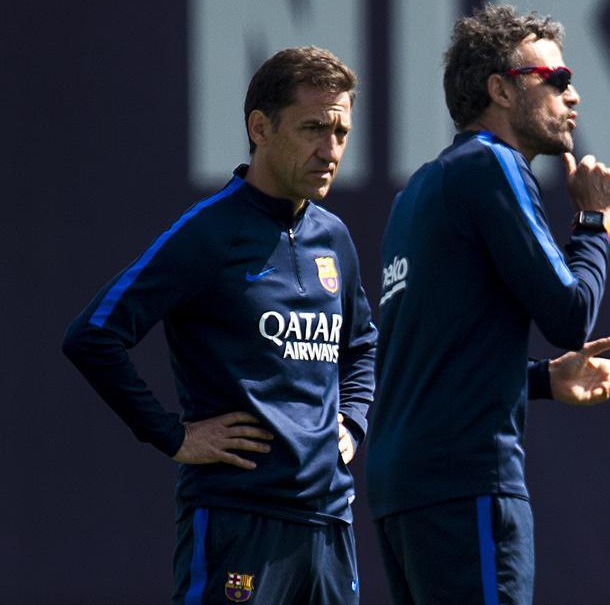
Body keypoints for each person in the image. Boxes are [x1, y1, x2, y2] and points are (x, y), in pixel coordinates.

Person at [62, 47, 376, 604]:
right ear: (260, 127)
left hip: (329, 524)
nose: (331, 151)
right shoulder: (209, 232)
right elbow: (93, 335)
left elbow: (362, 345)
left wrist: (351, 422)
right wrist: (173, 435)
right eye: (312, 128)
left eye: (341, 132)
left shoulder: (335, 238)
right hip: (239, 521)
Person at [366, 3, 610, 604]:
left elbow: (430, 369)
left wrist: (544, 381)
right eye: (556, 80)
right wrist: (595, 221)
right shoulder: (493, 166)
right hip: (466, 483)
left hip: (404, 492)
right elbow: (570, 316)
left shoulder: (418, 191)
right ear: (499, 89)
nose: (573, 96)